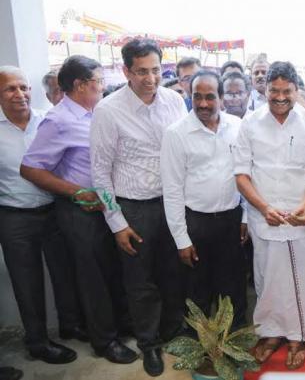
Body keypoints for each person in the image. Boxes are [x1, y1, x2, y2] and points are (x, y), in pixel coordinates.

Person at [20, 56, 136, 364]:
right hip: (80, 210)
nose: (103, 86)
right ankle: (105, 341)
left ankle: (121, 325)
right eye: (99, 81)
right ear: (80, 85)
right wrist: (78, 192)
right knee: (92, 277)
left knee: (113, 270)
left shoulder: (100, 112)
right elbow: (30, 168)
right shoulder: (58, 121)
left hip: (108, 205)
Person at [90, 39, 187, 377]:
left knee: (173, 273)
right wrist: (116, 222)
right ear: (126, 71)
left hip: (173, 202)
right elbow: (99, 173)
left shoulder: (175, 101)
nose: (151, 78)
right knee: (140, 281)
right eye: (142, 72)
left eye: (156, 70)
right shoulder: (108, 110)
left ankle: (173, 331)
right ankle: (149, 343)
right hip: (134, 209)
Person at [234, 61, 305, 370]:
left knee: (302, 278)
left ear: (297, 89)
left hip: (301, 216)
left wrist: (304, 206)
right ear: (265, 89)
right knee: (267, 277)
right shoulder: (250, 123)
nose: (280, 97)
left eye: (287, 91)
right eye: (274, 90)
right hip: (264, 216)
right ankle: (271, 333)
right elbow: (241, 175)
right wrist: (263, 208)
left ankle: (299, 337)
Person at [0, 66, 84, 364]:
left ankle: (71, 325)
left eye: (23, 87)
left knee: (65, 272)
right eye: (10, 88)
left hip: (53, 210)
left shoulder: (47, 120)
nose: (19, 94)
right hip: (15, 218)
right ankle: (37, 342)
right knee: (27, 281)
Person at [161, 70, 247, 327]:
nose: (203, 104)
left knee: (233, 286)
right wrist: (181, 239)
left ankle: (235, 339)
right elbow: (172, 190)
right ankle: (199, 342)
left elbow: (247, 174)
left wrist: (245, 216)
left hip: (231, 221)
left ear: (221, 98)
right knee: (197, 289)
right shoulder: (176, 133)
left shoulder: (238, 126)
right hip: (196, 223)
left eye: (210, 97)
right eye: (197, 96)